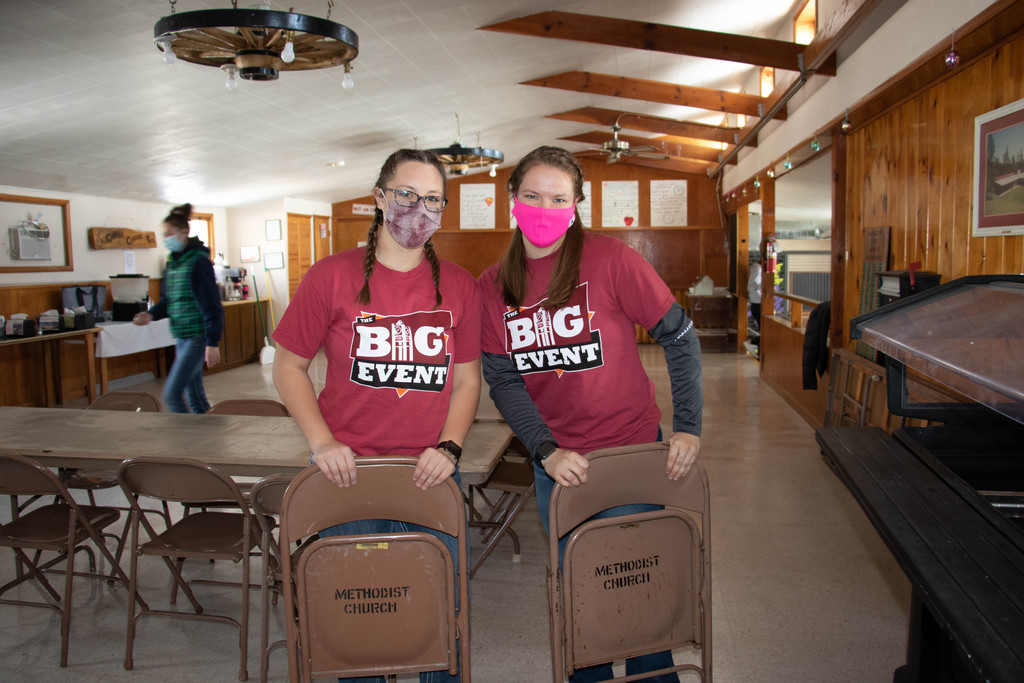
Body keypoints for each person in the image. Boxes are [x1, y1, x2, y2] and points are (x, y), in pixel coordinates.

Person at [477, 146, 703, 683]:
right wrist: (546, 450)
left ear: (577, 205)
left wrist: (688, 426)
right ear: (512, 201)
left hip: (631, 452)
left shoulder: (612, 260)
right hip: (558, 464)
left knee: (639, 589)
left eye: (558, 197)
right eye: (531, 195)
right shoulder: (493, 285)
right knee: (579, 595)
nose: (543, 207)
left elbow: (679, 336)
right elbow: (503, 378)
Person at [272, 149, 480, 683]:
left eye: (433, 199)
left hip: (429, 476)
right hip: (349, 479)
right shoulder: (331, 276)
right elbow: (289, 367)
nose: (420, 208)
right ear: (379, 197)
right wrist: (322, 442)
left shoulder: (458, 285)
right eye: (407, 194)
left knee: (438, 617)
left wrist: (450, 448)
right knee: (360, 617)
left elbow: (466, 380)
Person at [133, 203, 223, 413]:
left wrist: (212, 342)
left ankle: (186, 441)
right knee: (195, 395)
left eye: (169, 233)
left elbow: (212, 305)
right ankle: (207, 435)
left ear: (184, 233)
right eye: (164, 234)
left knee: (172, 394)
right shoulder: (172, 263)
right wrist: (150, 314)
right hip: (182, 337)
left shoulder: (198, 262)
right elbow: (167, 301)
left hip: (196, 336)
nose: (166, 238)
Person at [748, 252, 762, 330]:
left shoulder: (759, 269)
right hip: (757, 304)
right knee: (763, 328)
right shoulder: (757, 269)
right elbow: (751, 287)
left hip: (758, 303)